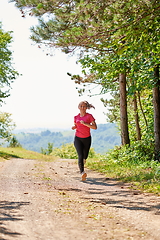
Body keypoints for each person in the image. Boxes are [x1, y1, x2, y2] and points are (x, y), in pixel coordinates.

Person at [72, 101, 97, 181]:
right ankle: (82, 172)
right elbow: (77, 125)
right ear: (78, 107)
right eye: (81, 106)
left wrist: (86, 124)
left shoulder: (89, 116)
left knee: (85, 155)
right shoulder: (76, 117)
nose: (82, 108)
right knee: (80, 155)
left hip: (87, 138)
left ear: (87, 108)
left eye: (84, 106)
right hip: (78, 138)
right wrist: (74, 127)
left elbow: (95, 127)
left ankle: (84, 160)